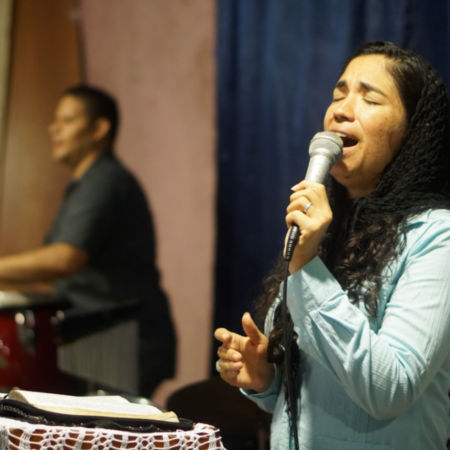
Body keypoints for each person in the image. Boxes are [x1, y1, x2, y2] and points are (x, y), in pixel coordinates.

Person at [214, 41, 450, 449]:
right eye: (339, 94)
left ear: (415, 132)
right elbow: (318, 391)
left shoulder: (436, 235)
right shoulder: (330, 228)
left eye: (369, 99)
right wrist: (266, 379)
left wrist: (307, 265)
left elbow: (388, 389)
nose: (341, 110)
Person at [0, 84, 176, 397]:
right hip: (106, 337)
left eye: (67, 120)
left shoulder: (104, 180)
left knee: (111, 426)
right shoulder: (88, 183)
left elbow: (65, 259)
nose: (54, 128)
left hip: (122, 339)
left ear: (99, 129)